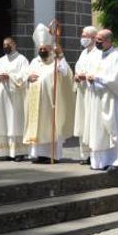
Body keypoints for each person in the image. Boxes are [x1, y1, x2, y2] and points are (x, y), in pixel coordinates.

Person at [84, 29, 118, 171]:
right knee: (99, 131)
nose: (97, 42)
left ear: (109, 41)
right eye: (96, 39)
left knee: (113, 130)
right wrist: (88, 78)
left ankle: (116, 161)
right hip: (97, 99)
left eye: (100, 40)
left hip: (112, 100)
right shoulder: (97, 57)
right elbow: (91, 73)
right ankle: (99, 162)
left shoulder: (116, 57)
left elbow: (115, 79)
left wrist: (96, 78)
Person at [23, 24, 74, 163]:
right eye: (40, 49)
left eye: (44, 48)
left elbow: (66, 73)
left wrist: (61, 55)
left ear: (51, 48)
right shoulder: (34, 62)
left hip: (51, 102)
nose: (42, 50)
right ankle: (39, 154)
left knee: (50, 127)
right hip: (35, 102)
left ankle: (53, 155)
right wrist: (28, 78)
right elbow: (25, 76)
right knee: (38, 128)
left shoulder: (56, 61)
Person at [0, 37, 30, 161]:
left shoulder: (21, 59)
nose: (5, 47)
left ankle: (19, 152)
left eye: (8, 44)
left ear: (14, 45)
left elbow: (25, 76)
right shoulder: (1, 60)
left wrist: (10, 77)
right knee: (2, 122)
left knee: (15, 123)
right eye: (4, 45)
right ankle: (4, 151)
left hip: (15, 97)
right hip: (2, 95)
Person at [73, 26, 99, 165]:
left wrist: (87, 76)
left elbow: (99, 72)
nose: (82, 38)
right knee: (83, 123)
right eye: (82, 35)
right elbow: (77, 68)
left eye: (85, 36)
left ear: (93, 37)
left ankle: (94, 153)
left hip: (92, 93)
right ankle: (85, 155)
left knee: (91, 123)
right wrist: (77, 76)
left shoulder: (98, 53)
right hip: (82, 93)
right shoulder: (83, 53)